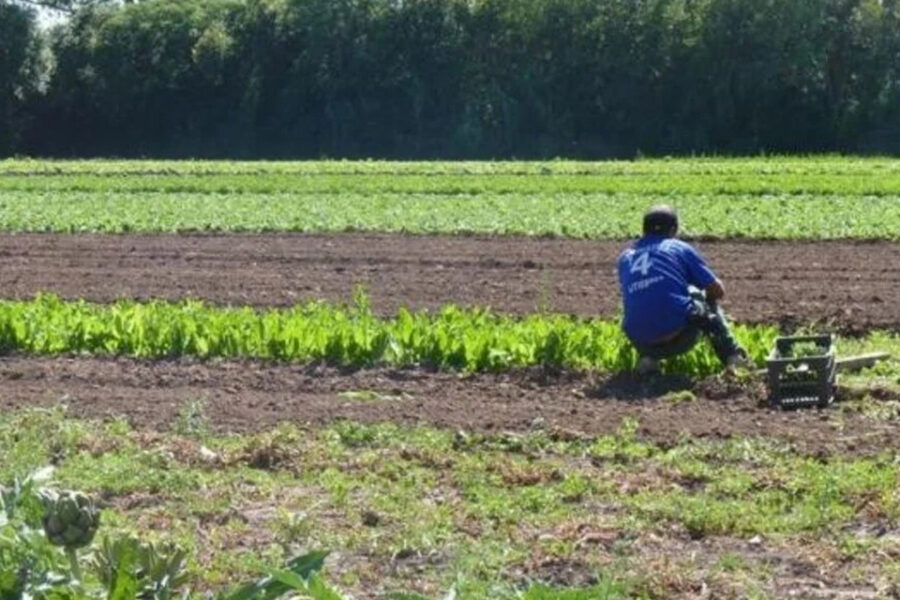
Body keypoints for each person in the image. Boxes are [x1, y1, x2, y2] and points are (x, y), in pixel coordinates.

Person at [616, 205, 747, 374]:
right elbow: (717, 290)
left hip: (642, 342)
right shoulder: (677, 247)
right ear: (673, 229)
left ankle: (648, 360)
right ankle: (734, 358)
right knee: (700, 295)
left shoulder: (625, 258)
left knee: (643, 300)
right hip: (680, 338)